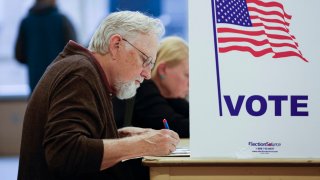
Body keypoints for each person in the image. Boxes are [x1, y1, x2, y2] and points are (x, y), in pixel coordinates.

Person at [18, 11, 180, 180]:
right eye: (145, 60)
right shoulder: (80, 74)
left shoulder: (83, 70)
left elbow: (73, 140)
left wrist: (118, 136)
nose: (147, 74)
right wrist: (141, 145)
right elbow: (64, 153)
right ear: (116, 45)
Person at [131, 36, 189, 138]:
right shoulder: (143, 88)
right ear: (162, 69)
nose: (189, 83)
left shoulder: (168, 96)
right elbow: (178, 126)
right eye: (186, 75)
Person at [15, 0, 77, 92]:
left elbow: (19, 56)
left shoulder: (26, 22)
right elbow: (75, 53)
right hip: (60, 83)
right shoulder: (62, 20)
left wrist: (35, 62)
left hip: (36, 85)